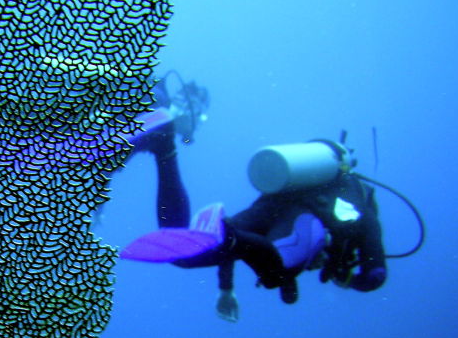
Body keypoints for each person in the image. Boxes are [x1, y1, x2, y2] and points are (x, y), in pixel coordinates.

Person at [122, 87, 387, 322]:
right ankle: (228, 232)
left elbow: (235, 247)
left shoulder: (306, 184)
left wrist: (226, 289)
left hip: (270, 207)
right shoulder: (361, 198)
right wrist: (350, 279)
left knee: (186, 252)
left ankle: (164, 145)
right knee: (276, 272)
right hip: (300, 219)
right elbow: (376, 275)